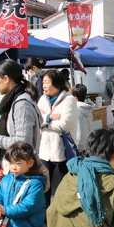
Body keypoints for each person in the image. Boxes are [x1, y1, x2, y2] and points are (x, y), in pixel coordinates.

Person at [0, 60, 42, 184]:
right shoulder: (12, 101)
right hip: (14, 171)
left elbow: (23, 142)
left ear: (6, 79)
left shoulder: (21, 104)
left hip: (23, 174)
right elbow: (7, 134)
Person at [37, 69, 78, 206]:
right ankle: (45, 213)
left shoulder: (69, 99)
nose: (44, 86)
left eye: (47, 82)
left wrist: (45, 122)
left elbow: (65, 125)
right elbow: (37, 120)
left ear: (57, 83)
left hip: (63, 151)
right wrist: (50, 117)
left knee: (65, 186)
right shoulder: (43, 98)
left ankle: (64, 214)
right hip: (45, 151)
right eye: (43, 82)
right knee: (44, 186)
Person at [73, 83, 93, 153]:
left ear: (75, 97)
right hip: (88, 141)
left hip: (78, 143)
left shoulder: (75, 109)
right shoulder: (88, 109)